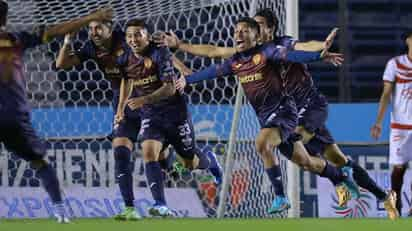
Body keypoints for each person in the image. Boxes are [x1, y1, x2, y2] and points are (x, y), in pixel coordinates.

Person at [176, 17, 360, 215]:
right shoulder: (235, 62)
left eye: (245, 31)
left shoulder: (267, 52)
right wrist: (186, 80)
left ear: (256, 36)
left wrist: (317, 56)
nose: (238, 34)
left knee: (261, 143)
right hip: (267, 118)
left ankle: (280, 197)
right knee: (305, 162)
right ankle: (340, 177)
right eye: (236, 31)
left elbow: (292, 55)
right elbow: (210, 71)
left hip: (284, 112)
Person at [0, 0, 112, 223]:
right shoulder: (15, 39)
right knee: (40, 163)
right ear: (5, 19)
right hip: (14, 115)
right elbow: (54, 31)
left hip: (12, 114)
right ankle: (60, 210)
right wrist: (91, 17)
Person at [115, 19, 222, 217]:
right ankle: (160, 204)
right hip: (151, 114)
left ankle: (210, 160)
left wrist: (143, 99)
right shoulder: (124, 59)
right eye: (129, 35)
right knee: (148, 151)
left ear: (147, 36)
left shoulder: (160, 53)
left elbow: (170, 87)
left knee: (190, 163)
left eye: (138, 34)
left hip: (175, 114)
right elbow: (127, 80)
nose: (133, 39)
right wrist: (121, 108)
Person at [371, 31, 412, 217]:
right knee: (398, 169)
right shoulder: (395, 64)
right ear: (408, 41)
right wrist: (378, 122)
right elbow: (386, 94)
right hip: (400, 127)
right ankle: (397, 207)